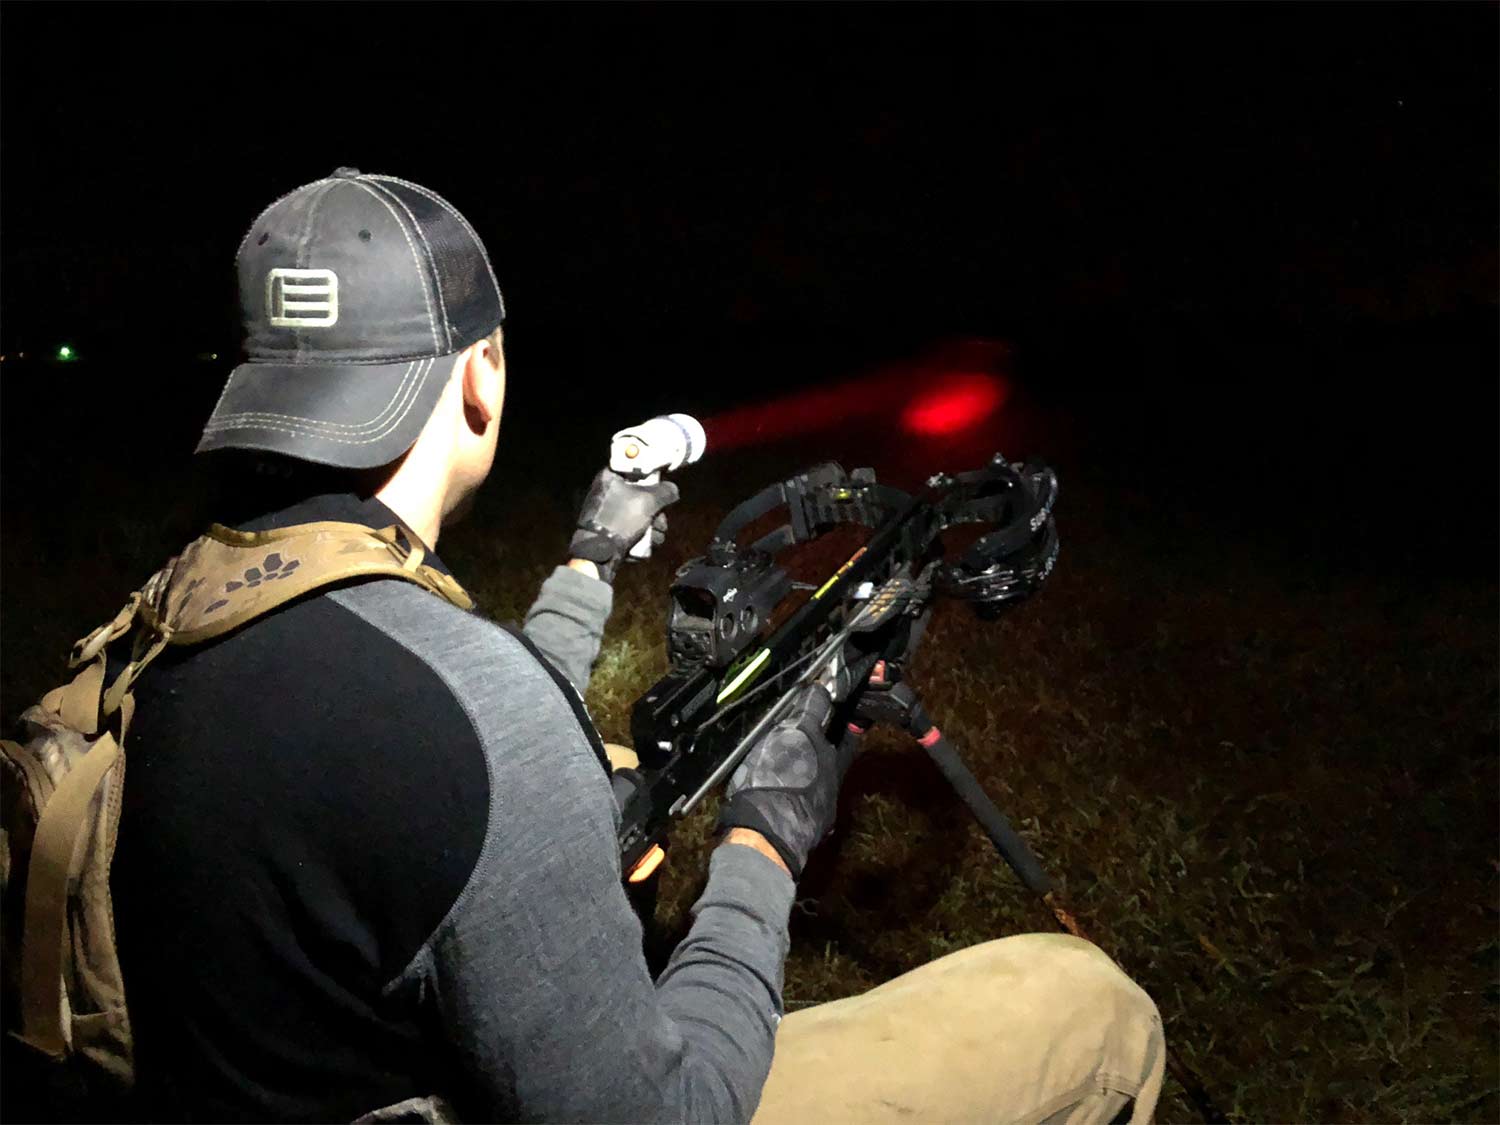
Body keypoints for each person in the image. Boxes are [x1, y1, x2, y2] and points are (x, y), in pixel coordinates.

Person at [110, 169, 1166, 1124]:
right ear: (481, 374)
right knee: (1091, 1016)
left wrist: (589, 560)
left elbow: (470, 726)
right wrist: (765, 839)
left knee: (607, 776)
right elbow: (674, 1115)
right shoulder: (471, 710)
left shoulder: (170, 619)